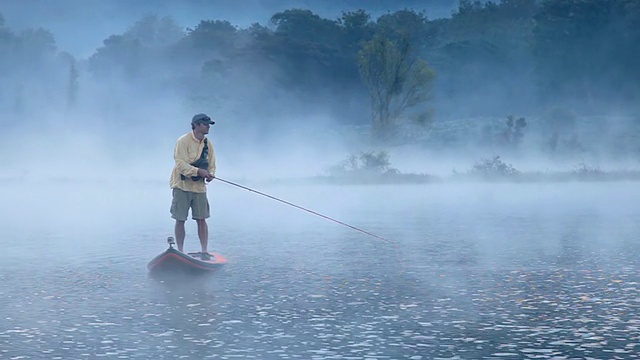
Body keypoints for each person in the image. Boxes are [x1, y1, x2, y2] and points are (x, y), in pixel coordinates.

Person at [169, 113, 217, 260]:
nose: (208, 126)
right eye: (205, 123)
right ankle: (180, 251)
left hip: (199, 188)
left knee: (202, 219)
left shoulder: (208, 144)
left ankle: (204, 251)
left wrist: (210, 175)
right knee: (180, 219)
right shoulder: (182, 141)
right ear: (196, 125)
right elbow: (180, 164)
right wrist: (197, 171)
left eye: (208, 124)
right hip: (181, 186)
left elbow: (212, 164)